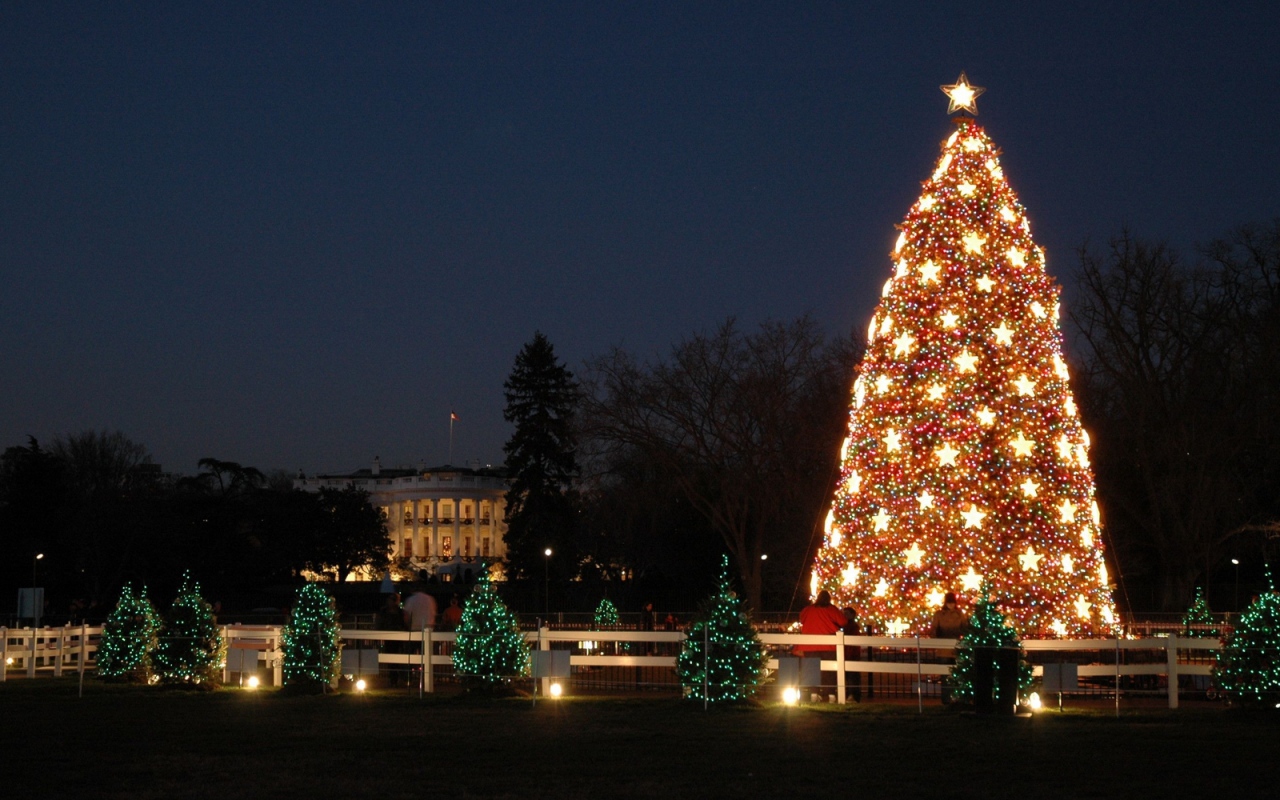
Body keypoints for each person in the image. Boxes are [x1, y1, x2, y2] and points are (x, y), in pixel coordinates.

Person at [795, 591, 847, 695]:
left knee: (812, 670)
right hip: (829, 646)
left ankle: (814, 693)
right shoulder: (832, 609)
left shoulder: (808, 609)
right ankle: (830, 693)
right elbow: (843, 622)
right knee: (829, 671)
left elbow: (801, 619)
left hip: (810, 646)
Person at [933, 592, 967, 705]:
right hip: (943, 648)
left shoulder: (959, 614)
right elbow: (934, 630)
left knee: (956, 674)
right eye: (949, 602)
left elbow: (965, 628)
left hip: (955, 648)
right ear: (946, 603)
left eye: (952, 602)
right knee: (945, 675)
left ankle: (955, 698)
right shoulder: (939, 614)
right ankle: (947, 699)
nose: (951, 605)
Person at [841, 607, 862, 702]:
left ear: (852, 615)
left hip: (851, 654)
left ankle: (852, 694)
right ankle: (850, 694)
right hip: (846, 653)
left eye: (847, 613)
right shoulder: (845, 625)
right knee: (849, 676)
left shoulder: (852, 626)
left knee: (852, 676)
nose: (844, 615)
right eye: (844, 613)